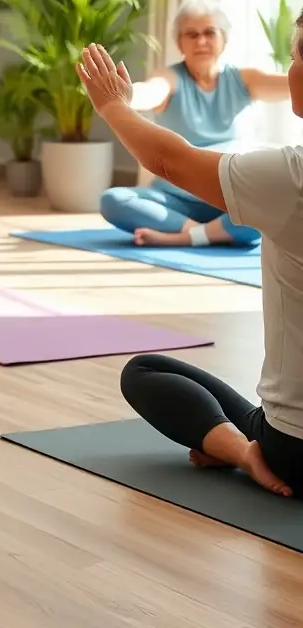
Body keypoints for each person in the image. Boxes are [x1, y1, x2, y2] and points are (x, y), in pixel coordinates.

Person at [76, 27, 303, 498]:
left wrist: (112, 104)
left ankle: (243, 452)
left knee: (144, 371)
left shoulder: (291, 176)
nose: (291, 68)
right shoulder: (178, 82)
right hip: (215, 195)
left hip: (295, 451)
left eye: (297, 53)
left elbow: (168, 159)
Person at [99, 0, 289, 247]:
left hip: (228, 197)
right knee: (113, 200)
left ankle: (184, 237)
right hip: (173, 199)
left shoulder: (243, 79)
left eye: (210, 33)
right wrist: (126, 96)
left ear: (224, 39)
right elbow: (151, 90)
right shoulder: (171, 77)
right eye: (192, 34)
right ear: (180, 42)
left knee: (272, 202)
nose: (201, 41)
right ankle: (208, 234)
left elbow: (291, 85)